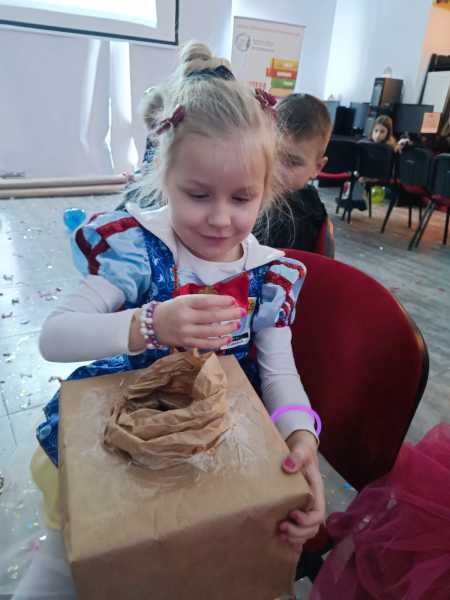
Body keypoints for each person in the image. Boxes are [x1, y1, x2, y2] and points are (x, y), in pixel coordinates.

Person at [14, 41, 325, 597]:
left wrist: (301, 438)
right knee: (73, 564)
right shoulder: (139, 250)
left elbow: (280, 372)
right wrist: (150, 324)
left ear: (266, 191)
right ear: (164, 178)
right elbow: (54, 336)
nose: (221, 218)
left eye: (242, 198)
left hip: (217, 450)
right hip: (122, 444)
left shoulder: (268, 275)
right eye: (198, 195)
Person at [254, 93, 333, 253]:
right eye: (273, 155)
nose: (277, 170)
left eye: (293, 162)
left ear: (317, 167)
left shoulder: (296, 218)